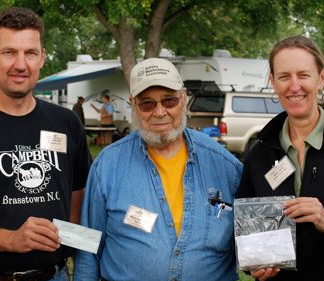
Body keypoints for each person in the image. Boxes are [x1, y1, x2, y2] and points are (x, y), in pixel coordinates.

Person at [0, 7, 93, 281]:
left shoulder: (67, 123)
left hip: (54, 276)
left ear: (42, 57)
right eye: (9, 52)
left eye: (30, 53)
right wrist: (11, 240)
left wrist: (66, 240)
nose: (21, 65)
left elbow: (78, 198)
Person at [73, 57, 243, 281]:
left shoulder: (225, 166)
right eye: (147, 104)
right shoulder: (107, 165)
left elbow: (250, 243)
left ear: (183, 98)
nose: (160, 111)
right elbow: (87, 247)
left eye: (169, 101)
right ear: (134, 104)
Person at [236, 35, 324, 281]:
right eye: (284, 76)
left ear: (321, 78)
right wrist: (254, 264)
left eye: (303, 75)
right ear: (273, 82)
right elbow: (248, 235)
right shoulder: (260, 153)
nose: (294, 86)